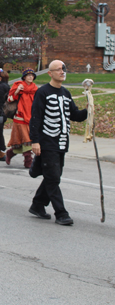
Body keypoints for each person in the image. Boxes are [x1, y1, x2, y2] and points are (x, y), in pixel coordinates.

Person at [28, 60, 87, 225]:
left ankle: (38, 204)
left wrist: (88, 111)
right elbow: (36, 118)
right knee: (53, 177)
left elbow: (74, 115)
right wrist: (35, 141)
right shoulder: (43, 92)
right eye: (59, 69)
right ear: (50, 73)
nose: (63, 71)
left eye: (64, 69)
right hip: (47, 142)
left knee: (53, 176)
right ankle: (61, 213)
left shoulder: (66, 93)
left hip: (61, 143)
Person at [5, 68, 38, 168]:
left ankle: (10, 153)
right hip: (20, 118)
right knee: (26, 139)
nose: (30, 77)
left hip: (31, 117)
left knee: (23, 142)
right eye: (28, 75)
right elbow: (9, 99)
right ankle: (28, 161)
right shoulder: (18, 85)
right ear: (24, 77)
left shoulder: (35, 88)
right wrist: (17, 91)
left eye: (32, 75)